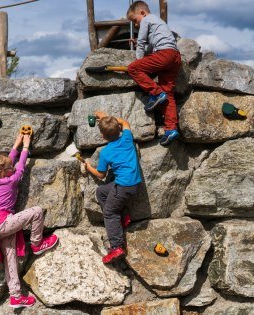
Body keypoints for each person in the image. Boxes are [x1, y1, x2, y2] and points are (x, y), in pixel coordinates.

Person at [0, 133, 58, 309]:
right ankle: (36, 243)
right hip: (4, 222)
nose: (12, 168)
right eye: (8, 168)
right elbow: (20, 167)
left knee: (10, 260)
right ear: (4, 172)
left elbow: (9, 163)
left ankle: (16, 297)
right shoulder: (11, 181)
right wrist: (25, 147)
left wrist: (16, 144)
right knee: (36, 212)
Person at [84, 112, 141, 264]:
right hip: (134, 183)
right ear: (119, 128)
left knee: (109, 213)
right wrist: (107, 117)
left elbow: (101, 175)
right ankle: (122, 218)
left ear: (103, 136)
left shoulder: (106, 152)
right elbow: (126, 123)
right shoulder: (127, 138)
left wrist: (89, 167)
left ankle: (116, 246)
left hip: (123, 187)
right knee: (101, 192)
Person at [126, 0, 182, 146]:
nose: (136, 25)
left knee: (133, 68)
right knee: (168, 92)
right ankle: (171, 129)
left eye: (135, 21)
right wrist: (141, 45)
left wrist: (138, 59)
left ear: (142, 13)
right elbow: (150, 46)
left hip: (164, 54)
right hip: (174, 56)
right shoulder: (158, 23)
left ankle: (156, 93)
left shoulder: (147, 20)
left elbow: (143, 41)